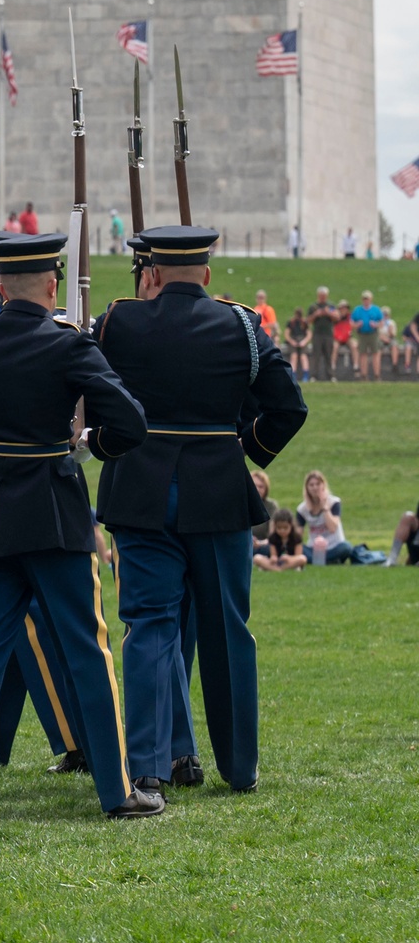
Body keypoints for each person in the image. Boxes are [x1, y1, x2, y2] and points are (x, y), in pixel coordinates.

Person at [0, 230, 158, 820]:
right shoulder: (67, 344)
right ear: (53, 286)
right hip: (50, 506)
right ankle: (116, 789)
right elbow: (131, 420)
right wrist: (96, 441)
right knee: (86, 649)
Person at [96, 225, 307, 795]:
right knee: (227, 631)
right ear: (208, 275)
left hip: (140, 490)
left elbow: (93, 391)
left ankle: (148, 767)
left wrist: (105, 443)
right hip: (217, 491)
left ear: (153, 273)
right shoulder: (241, 323)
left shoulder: (120, 320)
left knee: (149, 627)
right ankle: (240, 767)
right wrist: (244, 450)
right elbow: (289, 407)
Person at [296, 469, 347, 564]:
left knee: (346, 548)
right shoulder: (302, 509)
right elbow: (298, 535)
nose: (315, 488)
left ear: (323, 485)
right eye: (311, 485)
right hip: (314, 548)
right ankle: (329, 561)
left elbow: (332, 528)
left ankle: (318, 561)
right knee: (298, 547)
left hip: (334, 545)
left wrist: (325, 508)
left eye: (318, 484)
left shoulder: (334, 502)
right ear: (307, 488)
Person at [352, 290, 387, 380]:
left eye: (367, 299)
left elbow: (382, 322)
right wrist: (357, 325)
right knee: (363, 354)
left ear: (371, 299)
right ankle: (364, 375)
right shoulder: (358, 310)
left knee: (375, 353)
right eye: (364, 299)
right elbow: (351, 322)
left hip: (373, 334)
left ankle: (377, 375)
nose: (366, 301)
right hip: (362, 334)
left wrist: (376, 325)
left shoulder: (376, 310)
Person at [308, 287, 340, 381]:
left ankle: (331, 375)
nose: (322, 297)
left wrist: (328, 313)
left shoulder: (331, 306)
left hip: (328, 334)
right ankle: (314, 375)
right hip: (317, 333)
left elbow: (337, 318)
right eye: (321, 295)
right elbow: (308, 320)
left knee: (328, 355)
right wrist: (316, 315)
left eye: (324, 295)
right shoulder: (313, 307)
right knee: (316, 355)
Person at [284, 309, 310, 378]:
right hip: (293, 339)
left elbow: (309, 334)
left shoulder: (304, 322)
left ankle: (306, 375)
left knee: (303, 356)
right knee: (294, 356)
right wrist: (292, 341)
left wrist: (304, 341)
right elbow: (287, 334)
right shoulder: (291, 322)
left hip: (302, 340)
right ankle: (293, 374)